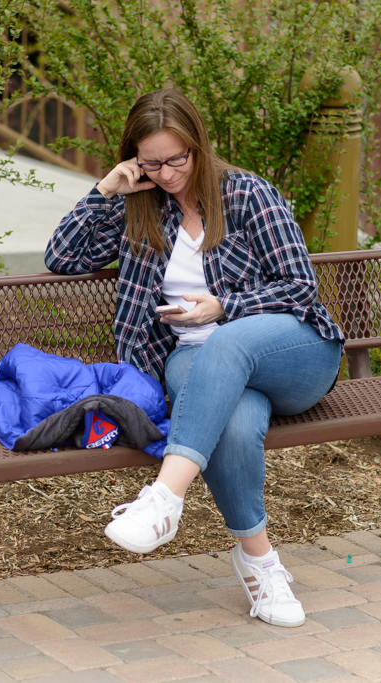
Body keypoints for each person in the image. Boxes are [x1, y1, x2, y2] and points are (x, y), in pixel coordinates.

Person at [45, 89, 343, 627]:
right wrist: (105, 190)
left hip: (291, 352)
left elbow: (300, 287)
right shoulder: (138, 205)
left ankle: (164, 496)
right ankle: (261, 565)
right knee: (235, 423)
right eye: (150, 163)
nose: (165, 174)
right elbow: (62, 258)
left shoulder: (247, 194)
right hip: (194, 362)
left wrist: (224, 307)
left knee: (226, 339)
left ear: (198, 147)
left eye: (175, 160)